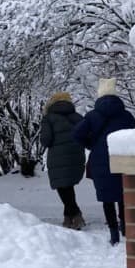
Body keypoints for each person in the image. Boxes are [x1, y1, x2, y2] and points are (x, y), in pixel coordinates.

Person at [73, 78, 135, 245]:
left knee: (107, 198)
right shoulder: (126, 115)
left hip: (100, 162)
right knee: (123, 195)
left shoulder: (92, 116)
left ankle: (114, 234)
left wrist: (91, 145)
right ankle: (126, 228)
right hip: (121, 159)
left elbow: (76, 135)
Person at [40, 92, 86, 230]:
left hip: (58, 157)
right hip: (77, 155)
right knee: (68, 186)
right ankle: (68, 217)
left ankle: (76, 215)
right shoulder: (78, 117)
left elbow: (45, 141)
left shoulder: (49, 118)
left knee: (63, 186)